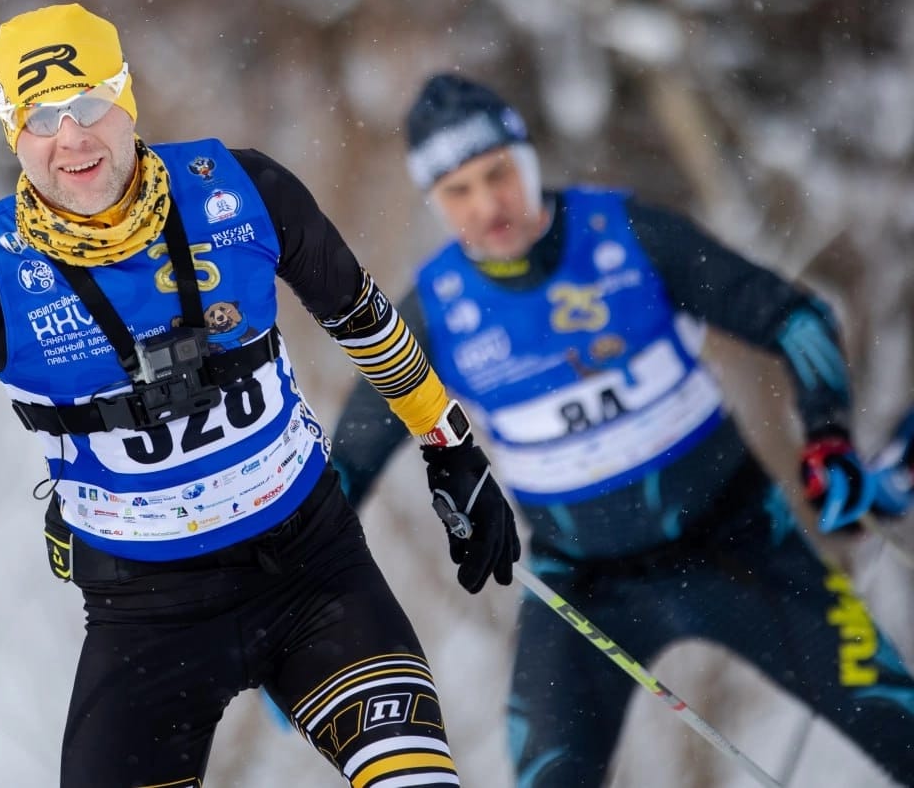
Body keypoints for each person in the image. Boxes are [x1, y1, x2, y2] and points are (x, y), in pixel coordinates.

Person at [0, 5, 522, 787]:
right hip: (147, 617)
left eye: (88, 105)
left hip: (313, 573)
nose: (71, 137)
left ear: (127, 101)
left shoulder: (240, 190)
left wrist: (450, 446)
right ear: (12, 131)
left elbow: (362, 319)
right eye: (40, 117)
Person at [330, 72, 914, 786]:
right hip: (586, 584)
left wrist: (827, 437)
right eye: (458, 190)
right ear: (435, 202)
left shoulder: (628, 233)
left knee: (902, 730)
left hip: (741, 541)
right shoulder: (435, 310)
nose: (488, 204)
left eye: (499, 173)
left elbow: (796, 319)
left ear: (527, 159)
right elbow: (347, 464)